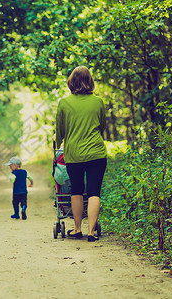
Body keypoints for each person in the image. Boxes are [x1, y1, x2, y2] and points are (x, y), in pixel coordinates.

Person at [55, 66, 107, 242]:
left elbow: (60, 132)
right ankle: (91, 232)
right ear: (90, 81)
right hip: (97, 154)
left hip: (74, 154)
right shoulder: (98, 101)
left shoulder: (64, 103)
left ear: (71, 82)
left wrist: (58, 142)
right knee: (94, 192)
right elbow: (102, 126)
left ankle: (77, 229)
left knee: (76, 190)